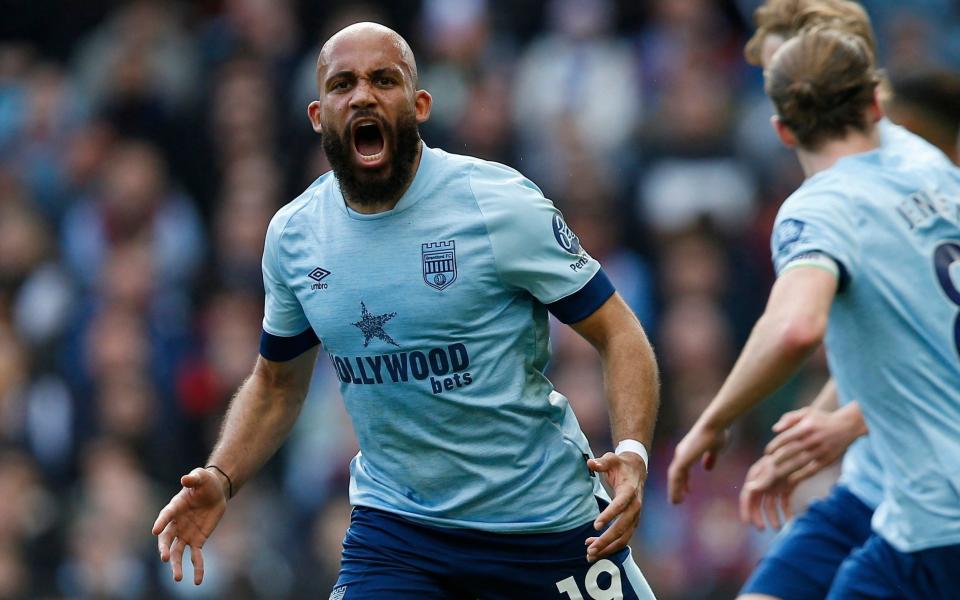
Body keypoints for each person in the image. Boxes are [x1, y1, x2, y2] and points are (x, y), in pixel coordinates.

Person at [151, 22, 660, 599]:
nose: (363, 95)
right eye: (343, 84)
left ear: (418, 105)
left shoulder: (499, 205)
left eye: (383, 80)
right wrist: (222, 476)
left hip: (542, 523)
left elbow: (618, 331)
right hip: (399, 532)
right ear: (319, 116)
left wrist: (634, 451)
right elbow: (275, 383)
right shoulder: (294, 236)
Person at [667, 26, 960, 599]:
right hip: (898, 496)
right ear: (876, 101)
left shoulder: (820, 209)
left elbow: (797, 326)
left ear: (781, 128)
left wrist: (712, 419)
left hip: (933, 510)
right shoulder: (933, 169)